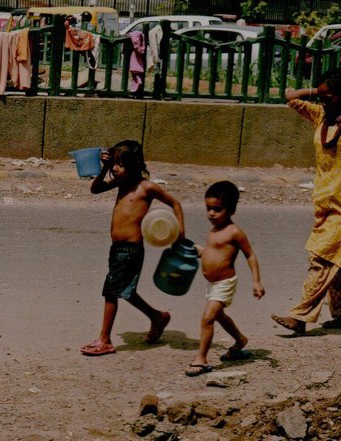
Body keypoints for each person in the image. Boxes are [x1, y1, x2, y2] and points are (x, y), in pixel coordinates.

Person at [271, 66, 341, 334]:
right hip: (324, 202)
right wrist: (320, 90)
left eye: (330, 97)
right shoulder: (319, 116)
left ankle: (301, 316)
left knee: (321, 257)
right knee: (340, 262)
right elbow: (290, 96)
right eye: (322, 98)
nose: (323, 102)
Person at [80, 140, 185, 356]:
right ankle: (158, 317)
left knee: (111, 291)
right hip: (117, 248)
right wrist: (104, 169)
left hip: (130, 249)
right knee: (126, 292)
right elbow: (95, 189)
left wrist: (179, 233)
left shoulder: (146, 187)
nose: (116, 168)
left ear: (135, 166)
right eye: (114, 164)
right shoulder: (121, 182)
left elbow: (175, 203)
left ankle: (105, 340)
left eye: (120, 164)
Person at [185, 181, 265, 376]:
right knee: (219, 316)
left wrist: (256, 281)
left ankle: (201, 359)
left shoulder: (234, 232)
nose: (211, 213)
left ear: (231, 209)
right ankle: (240, 339)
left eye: (217, 209)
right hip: (212, 284)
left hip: (224, 284)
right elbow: (215, 252)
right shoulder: (214, 230)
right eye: (208, 209)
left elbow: (250, 255)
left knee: (207, 318)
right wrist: (201, 251)